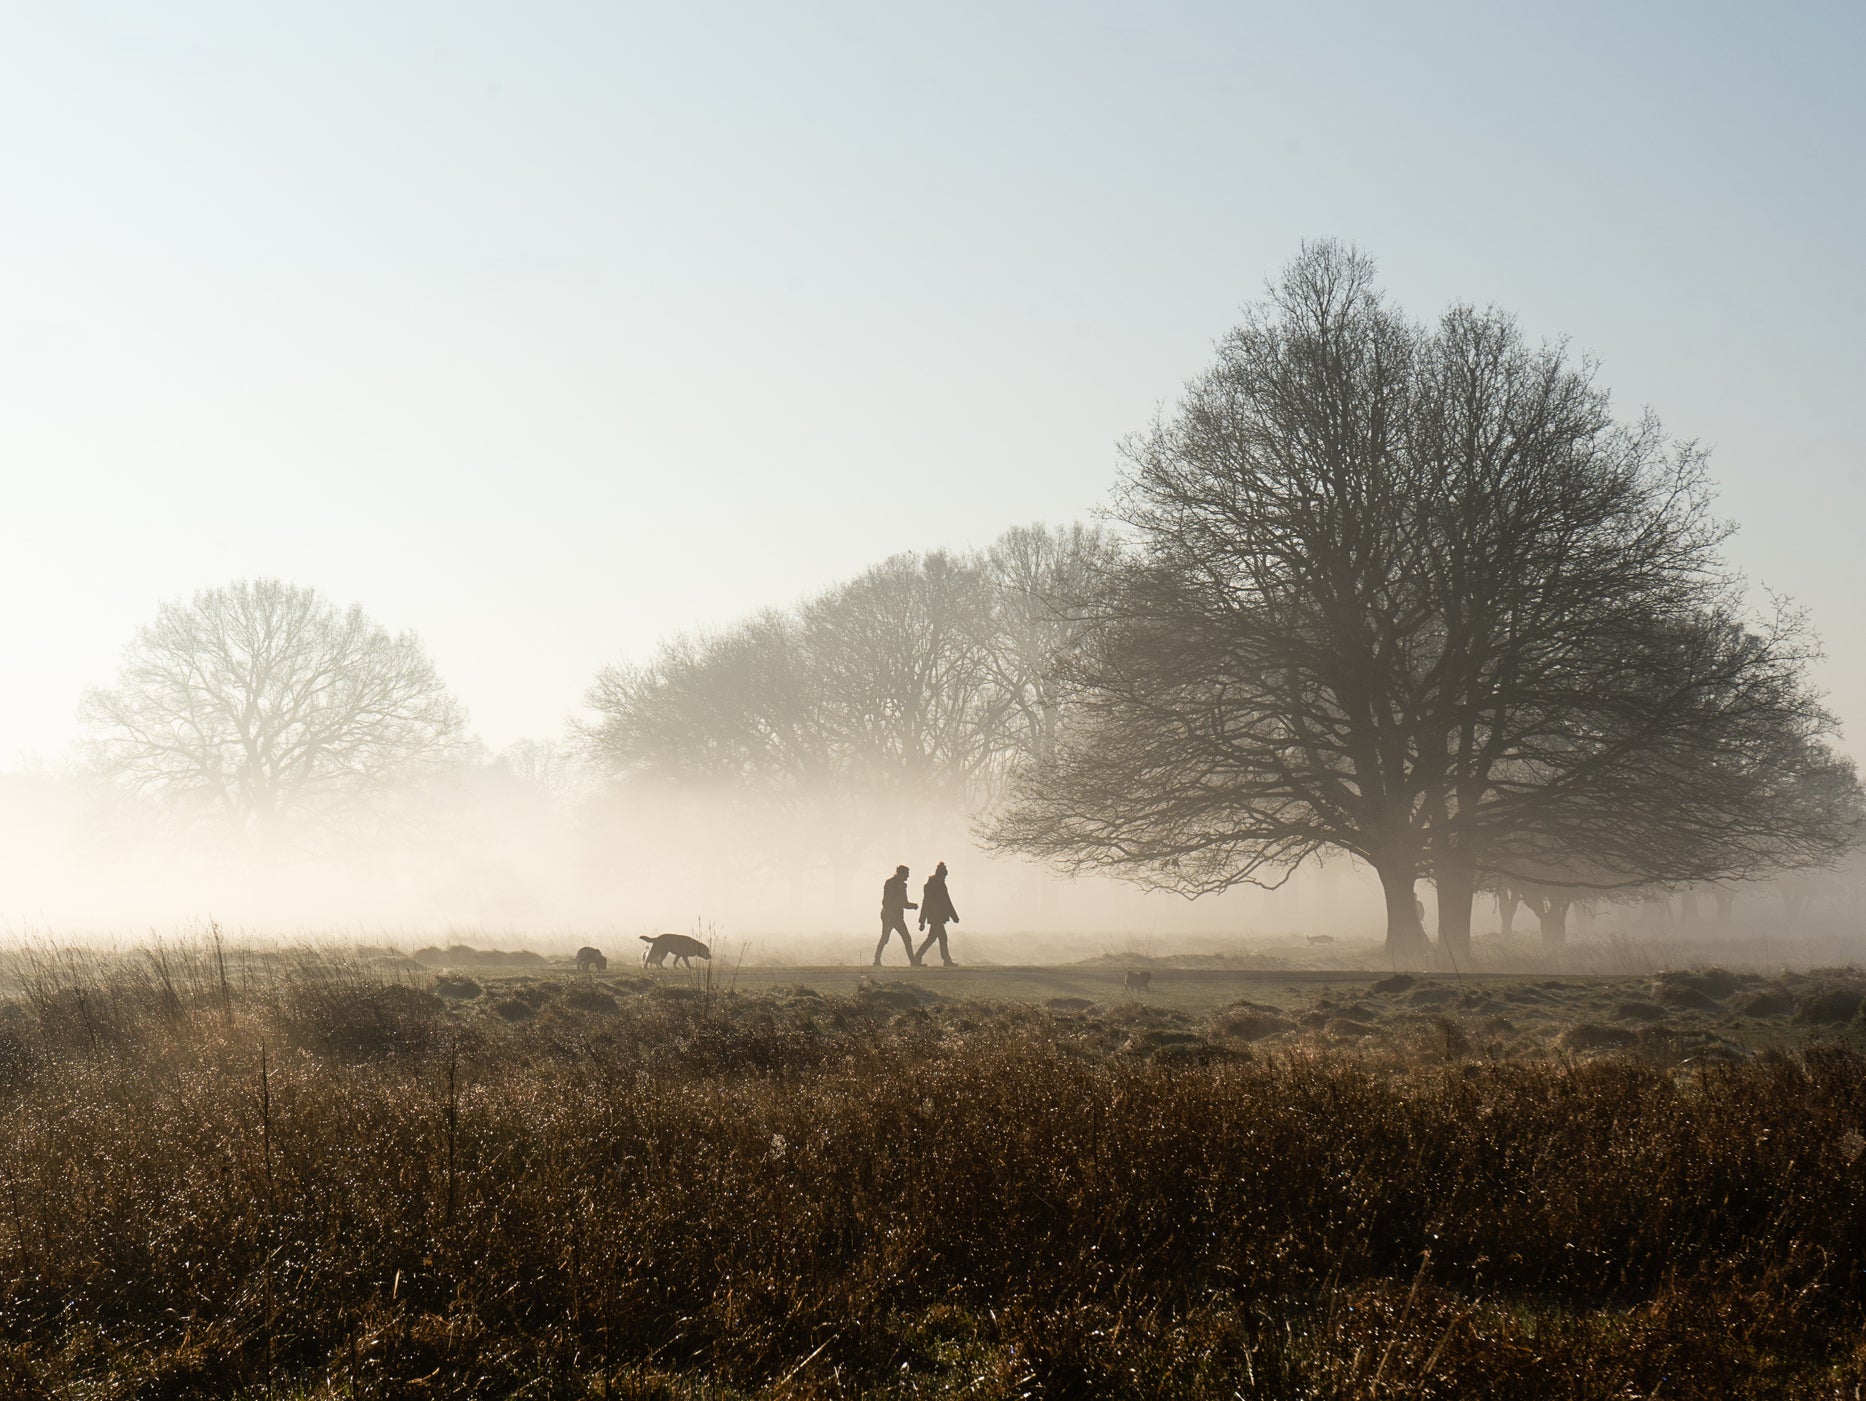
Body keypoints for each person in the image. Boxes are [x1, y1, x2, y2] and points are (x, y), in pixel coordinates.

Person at [914, 860, 960, 967]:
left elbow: (946, 902)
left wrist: (922, 921)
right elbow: (929, 903)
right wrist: (922, 921)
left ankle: (917, 958)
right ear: (940, 875)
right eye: (943, 876)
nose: (944, 878)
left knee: (932, 939)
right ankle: (946, 961)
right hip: (936, 917)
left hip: (937, 917)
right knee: (940, 938)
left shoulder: (937, 885)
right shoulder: (934, 886)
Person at [874, 864, 918, 966]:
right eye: (906, 874)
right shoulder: (890, 883)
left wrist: (912, 906)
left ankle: (913, 962)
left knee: (906, 938)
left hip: (897, 917)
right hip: (890, 916)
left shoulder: (902, 885)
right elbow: (887, 901)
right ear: (900, 873)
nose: (908, 876)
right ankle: (876, 960)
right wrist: (910, 906)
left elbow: (904, 903)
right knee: (886, 938)